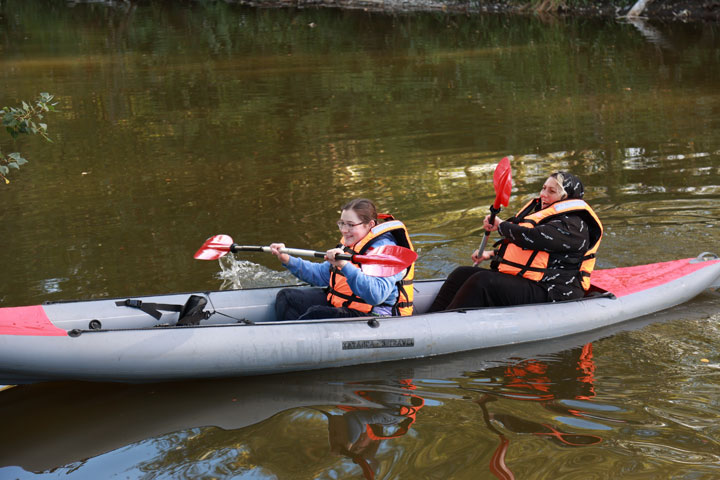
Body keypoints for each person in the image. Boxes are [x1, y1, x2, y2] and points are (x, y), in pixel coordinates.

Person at [428, 172, 603, 312]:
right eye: (543, 188)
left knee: (483, 281)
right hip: (535, 281)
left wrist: (501, 226)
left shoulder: (574, 225)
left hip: (555, 290)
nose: (543, 195)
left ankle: (444, 323)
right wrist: (491, 254)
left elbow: (535, 238)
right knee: (461, 273)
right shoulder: (546, 216)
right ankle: (432, 316)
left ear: (567, 197)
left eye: (551, 191)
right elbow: (534, 253)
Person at [270, 198, 414, 320]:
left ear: (370, 225)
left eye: (350, 225)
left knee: (316, 313)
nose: (344, 230)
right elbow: (322, 275)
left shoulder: (387, 252)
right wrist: (287, 259)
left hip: (376, 314)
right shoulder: (351, 243)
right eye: (342, 223)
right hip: (347, 304)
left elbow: (376, 295)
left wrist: (345, 265)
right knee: (287, 297)